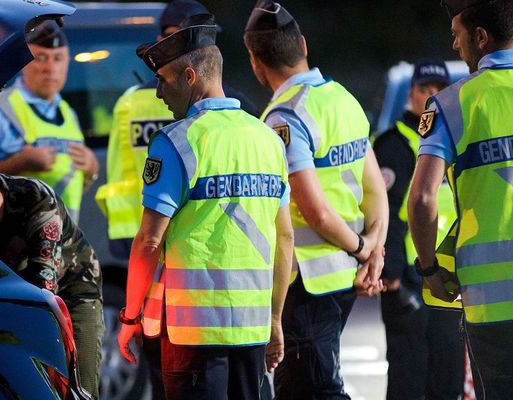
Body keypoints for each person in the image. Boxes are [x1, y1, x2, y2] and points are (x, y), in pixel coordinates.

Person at [117, 14, 294, 400]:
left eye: (163, 81)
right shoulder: (269, 140)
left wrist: (131, 316)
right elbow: (285, 237)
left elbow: (149, 241)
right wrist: (275, 319)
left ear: (190, 78)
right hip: (252, 329)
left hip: (192, 332)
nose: (159, 93)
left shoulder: (176, 143)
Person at [244, 1, 389, 398]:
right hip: (342, 277)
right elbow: (376, 190)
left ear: (256, 62)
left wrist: (364, 249)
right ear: (302, 44)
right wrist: (373, 248)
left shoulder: (283, 118)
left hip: (306, 282)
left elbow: (315, 211)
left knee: (311, 390)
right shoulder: (343, 99)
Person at [408, 0, 513, 398]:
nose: (454, 46)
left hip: (496, 304)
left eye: (457, 35)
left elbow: (422, 197)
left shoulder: (452, 104)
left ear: (481, 37)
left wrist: (430, 267)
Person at [0, 152, 104, 399]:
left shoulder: (35, 199)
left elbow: (44, 289)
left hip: (70, 292)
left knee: (79, 388)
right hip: (7, 291)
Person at [373, 59, 464, 400]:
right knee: (407, 376)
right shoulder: (394, 145)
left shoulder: (457, 141)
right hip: (409, 277)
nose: (431, 98)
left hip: (448, 274)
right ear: (411, 93)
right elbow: (386, 213)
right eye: (424, 90)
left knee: (448, 374)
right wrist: (392, 272)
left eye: (439, 91)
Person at [0, 21, 99, 223]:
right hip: (9, 245)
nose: (50, 68)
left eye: (58, 59)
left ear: (67, 61)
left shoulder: (68, 114)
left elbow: (69, 183)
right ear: (24, 62)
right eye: (41, 58)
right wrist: (18, 164)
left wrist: (91, 169)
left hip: (60, 242)